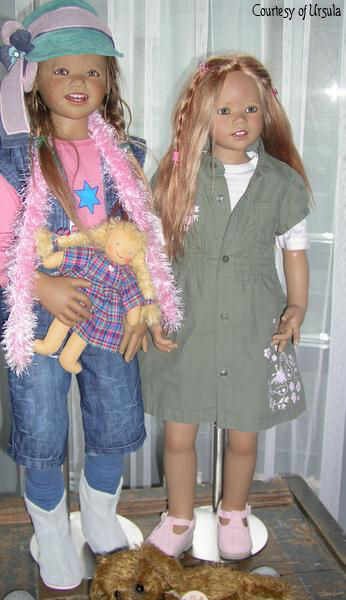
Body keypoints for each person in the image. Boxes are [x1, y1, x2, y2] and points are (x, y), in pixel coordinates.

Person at [0, 0, 181, 590]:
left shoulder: (126, 155)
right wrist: (41, 284)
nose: (78, 80)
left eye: (93, 70)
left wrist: (145, 307)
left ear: (109, 81)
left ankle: (97, 516)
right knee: (42, 426)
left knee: (114, 413)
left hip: (113, 308)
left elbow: (141, 241)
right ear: (34, 80)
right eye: (62, 69)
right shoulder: (17, 157)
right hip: (39, 309)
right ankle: (49, 531)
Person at [140, 54, 311, 561]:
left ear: (267, 112)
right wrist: (152, 306)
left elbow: (295, 252)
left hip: (254, 324)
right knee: (178, 432)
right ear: (201, 115)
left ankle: (234, 509)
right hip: (188, 322)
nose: (240, 120)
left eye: (251, 109)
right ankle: (179, 515)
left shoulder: (281, 182)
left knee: (243, 434)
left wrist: (298, 305)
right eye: (225, 110)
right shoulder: (179, 175)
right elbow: (154, 252)